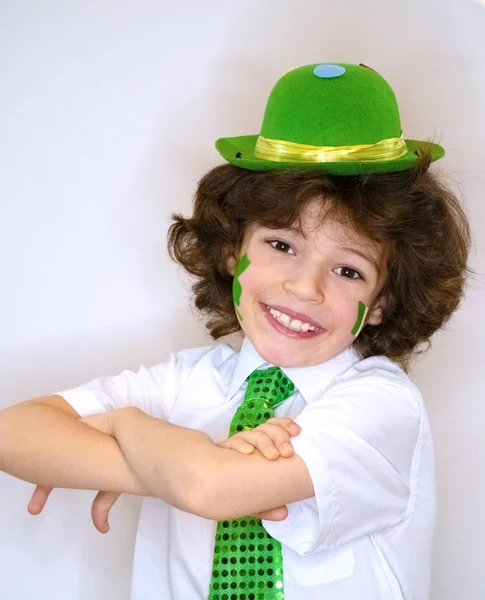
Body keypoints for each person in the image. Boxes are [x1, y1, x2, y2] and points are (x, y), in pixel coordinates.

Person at [0, 63, 471, 600]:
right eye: (281, 245)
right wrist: (164, 466)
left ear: (382, 302)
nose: (304, 287)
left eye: (348, 271)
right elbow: (14, 432)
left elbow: (209, 486)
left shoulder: (382, 405)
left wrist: (132, 429)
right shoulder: (186, 384)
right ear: (231, 251)